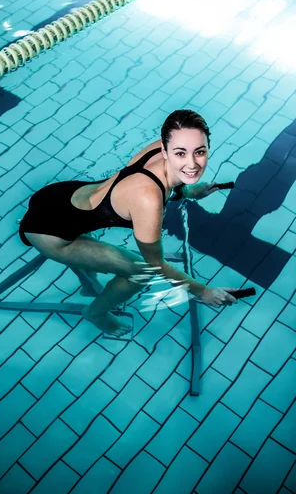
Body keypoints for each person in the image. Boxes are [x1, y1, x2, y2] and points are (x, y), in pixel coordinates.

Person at [19, 109, 238, 336]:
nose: (192, 164)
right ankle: (96, 313)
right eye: (181, 154)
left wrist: (190, 191)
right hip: (47, 232)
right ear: (165, 150)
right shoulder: (148, 200)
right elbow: (155, 264)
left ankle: (88, 284)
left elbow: (171, 178)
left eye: (200, 152)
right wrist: (202, 291)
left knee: (85, 231)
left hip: (57, 197)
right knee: (139, 272)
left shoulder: (160, 147)